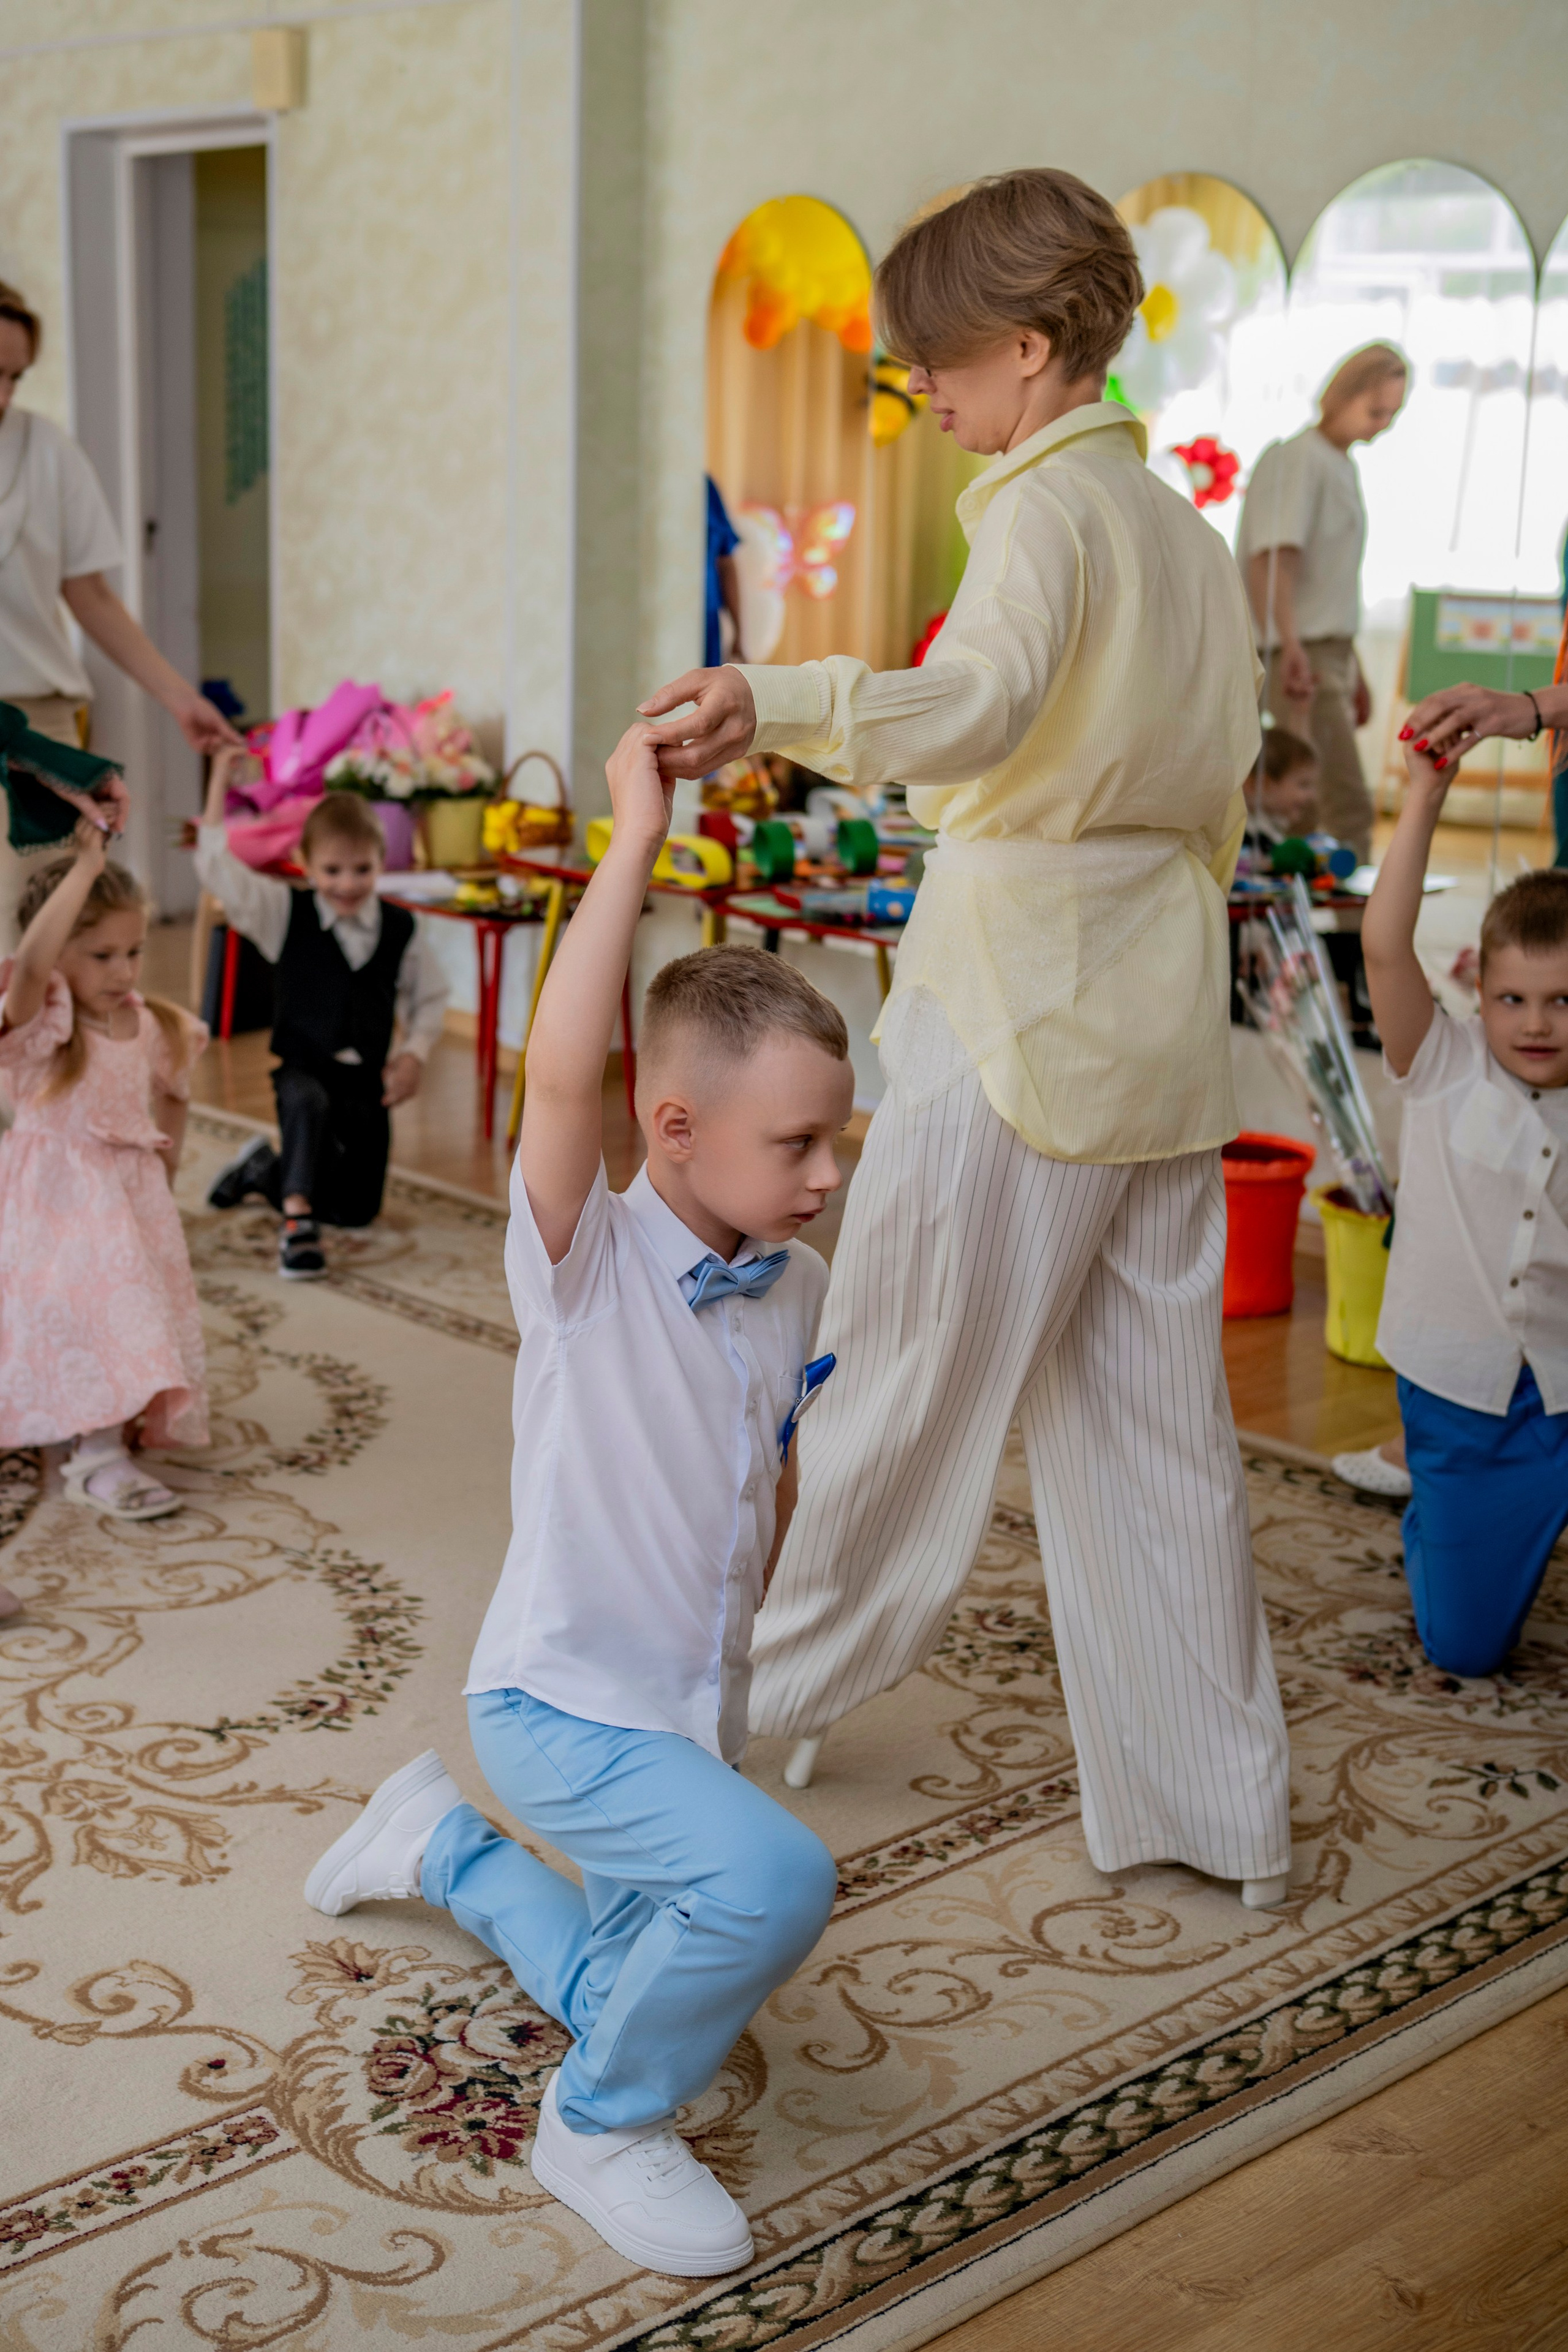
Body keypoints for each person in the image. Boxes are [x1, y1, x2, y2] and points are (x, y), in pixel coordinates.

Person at [639, 168, 1294, 1909]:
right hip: (1157, 1020)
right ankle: (1219, 1812)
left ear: (1025, 344)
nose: (920, 388)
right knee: (1157, 1445)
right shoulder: (1183, 537)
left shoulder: (1045, 513)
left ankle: (718, 1720)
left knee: (891, 1389)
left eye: (935, 358)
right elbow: (1219, 797)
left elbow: (983, 705)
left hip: (1019, 1006)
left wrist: (772, 694)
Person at [302, 722, 851, 2275]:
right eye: (796, 1142)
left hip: (684, 1704)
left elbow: (770, 1469)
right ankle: (597, 2125)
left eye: (834, 1136)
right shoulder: (583, 1258)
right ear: (671, 1128)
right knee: (772, 1880)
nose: (826, 1173)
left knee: (624, 1977)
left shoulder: (796, 1279)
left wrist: (738, 1656)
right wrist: (634, 836)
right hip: (559, 1706)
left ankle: (439, 1846)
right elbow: (558, 1072)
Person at [1355, 742, 1568, 1674]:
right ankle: (1436, 1509)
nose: (1536, 1023)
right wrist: (1425, 793)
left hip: (1563, 1390)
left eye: (1562, 1001)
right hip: (1460, 1392)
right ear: (1476, 990)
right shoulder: (1441, 1064)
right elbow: (1382, 946)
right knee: (1467, 1649)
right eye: (1512, 998)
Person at [0, 283, 240, 944]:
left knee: (38, 924)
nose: (4, 395)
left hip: (37, 723)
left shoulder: (48, 451)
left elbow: (92, 596)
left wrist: (180, 699)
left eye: (15, 377)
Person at [0, 823, 207, 1544]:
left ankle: (97, 1441)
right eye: (102, 955)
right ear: (60, 952)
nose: (124, 971)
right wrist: (86, 867)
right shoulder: (45, 1027)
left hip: (126, 1202)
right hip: (54, 1205)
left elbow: (174, 1091)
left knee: (128, 1316)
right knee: (73, 1315)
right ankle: (88, 1445)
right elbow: (29, 968)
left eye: (134, 952)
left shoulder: (146, 1023)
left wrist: (166, 1170)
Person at [193, 758, 447, 1277]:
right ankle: (297, 1223)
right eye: (332, 871)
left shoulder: (402, 928)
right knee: (306, 1102)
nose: (347, 884)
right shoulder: (283, 912)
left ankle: (262, 1170)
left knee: (355, 1211)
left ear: (381, 863)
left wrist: (413, 1056)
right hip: (303, 1067)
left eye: (362, 870)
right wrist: (218, 781)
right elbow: (216, 867)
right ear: (305, 864)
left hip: (365, 1080)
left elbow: (430, 998)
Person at [1235, 343, 1409, 864]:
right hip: (1300, 651)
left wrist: (1354, 667)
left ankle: (1321, 907)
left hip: (1325, 649)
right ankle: (1348, 916)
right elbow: (1272, 562)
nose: (1382, 426)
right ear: (1343, 394)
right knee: (1333, 800)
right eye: (1375, 411)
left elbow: (1330, 583)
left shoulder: (1340, 464)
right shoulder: (1296, 459)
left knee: (1313, 802)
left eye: (1392, 415)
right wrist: (1289, 646)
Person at [1244, 726, 1320, 851]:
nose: (1312, 795)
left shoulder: (1272, 827)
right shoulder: (1248, 836)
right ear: (1262, 784)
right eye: (1303, 785)